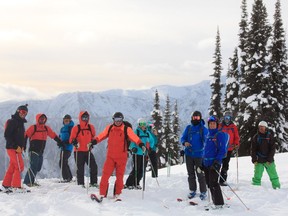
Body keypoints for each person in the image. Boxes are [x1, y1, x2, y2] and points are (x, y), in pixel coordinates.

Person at [92, 112, 145, 200]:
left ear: (122, 119)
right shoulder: (109, 128)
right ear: (113, 119)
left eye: (120, 120)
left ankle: (117, 194)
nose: (118, 122)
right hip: (110, 157)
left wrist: (141, 144)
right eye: (116, 119)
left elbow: (134, 137)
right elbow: (102, 135)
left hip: (121, 157)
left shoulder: (126, 129)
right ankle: (102, 194)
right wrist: (94, 141)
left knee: (119, 177)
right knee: (105, 175)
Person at [23, 113, 63, 187]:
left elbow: (53, 135)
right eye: (41, 119)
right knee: (33, 166)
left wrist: (59, 142)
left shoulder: (46, 128)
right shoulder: (33, 127)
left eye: (44, 119)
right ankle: (27, 182)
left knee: (38, 167)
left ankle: (31, 181)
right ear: (38, 119)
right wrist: (24, 145)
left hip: (41, 151)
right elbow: (25, 135)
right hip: (33, 150)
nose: (42, 120)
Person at [180, 111, 208, 200]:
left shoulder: (203, 129)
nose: (196, 119)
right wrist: (184, 142)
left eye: (198, 118)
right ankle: (192, 190)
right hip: (188, 154)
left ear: (200, 118)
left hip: (199, 155)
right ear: (192, 118)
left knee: (200, 173)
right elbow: (182, 138)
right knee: (190, 174)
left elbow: (207, 140)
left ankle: (203, 191)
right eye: (194, 117)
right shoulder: (188, 128)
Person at [1, 105, 29, 193]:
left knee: (13, 166)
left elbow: (21, 137)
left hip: (17, 149)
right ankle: (16, 187)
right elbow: (7, 135)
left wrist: (23, 146)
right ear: (18, 111)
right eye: (22, 112)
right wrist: (15, 146)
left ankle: (6, 184)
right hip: (13, 148)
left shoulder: (20, 123)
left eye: (25, 113)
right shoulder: (12, 122)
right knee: (19, 166)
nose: (23, 114)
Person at [203, 115, 227, 208]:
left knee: (214, 183)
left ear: (217, 125)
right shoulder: (207, 135)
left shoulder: (219, 134)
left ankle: (219, 204)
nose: (212, 125)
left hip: (214, 163)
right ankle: (214, 201)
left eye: (214, 124)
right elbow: (205, 149)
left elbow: (222, 150)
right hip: (206, 163)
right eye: (210, 124)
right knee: (209, 183)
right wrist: (202, 162)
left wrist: (217, 162)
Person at [69, 111, 98, 187]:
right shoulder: (76, 128)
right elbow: (71, 139)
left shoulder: (91, 127)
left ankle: (93, 182)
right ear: (80, 118)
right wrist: (74, 142)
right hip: (78, 151)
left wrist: (92, 143)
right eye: (83, 117)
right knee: (80, 169)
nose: (85, 119)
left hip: (87, 150)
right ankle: (81, 184)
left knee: (94, 166)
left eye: (86, 117)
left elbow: (93, 137)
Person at [125, 118, 155, 189]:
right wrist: (132, 148)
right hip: (137, 153)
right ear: (139, 125)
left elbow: (152, 141)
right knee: (136, 168)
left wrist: (150, 147)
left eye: (144, 124)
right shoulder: (136, 132)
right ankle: (129, 183)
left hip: (144, 154)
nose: (143, 125)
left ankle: (137, 183)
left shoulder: (147, 133)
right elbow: (132, 140)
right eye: (141, 124)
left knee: (142, 169)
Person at [251, 121, 280, 189]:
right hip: (259, 160)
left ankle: (277, 187)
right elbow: (253, 149)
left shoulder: (270, 136)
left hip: (268, 160)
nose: (261, 128)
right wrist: (254, 159)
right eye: (260, 126)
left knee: (273, 175)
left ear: (265, 127)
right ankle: (256, 188)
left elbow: (272, 149)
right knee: (257, 176)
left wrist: (269, 159)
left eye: (262, 126)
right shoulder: (256, 137)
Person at [218, 110, 240, 186]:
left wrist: (236, 144)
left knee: (225, 164)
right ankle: (215, 179)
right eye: (225, 117)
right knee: (218, 163)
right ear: (223, 118)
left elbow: (236, 137)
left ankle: (223, 180)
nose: (227, 119)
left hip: (229, 149)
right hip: (220, 149)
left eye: (228, 117)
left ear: (231, 118)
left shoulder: (233, 127)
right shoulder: (220, 126)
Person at [58, 114, 74, 182]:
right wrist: (59, 142)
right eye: (65, 120)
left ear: (70, 121)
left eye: (68, 120)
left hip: (68, 148)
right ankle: (69, 177)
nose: (66, 122)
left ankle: (66, 178)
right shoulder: (62, 128)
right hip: (63, 147)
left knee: (62, 162)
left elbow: (72, 137)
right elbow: (60, 136)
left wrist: (66, 142)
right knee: (63, 162)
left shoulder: (71, 128)